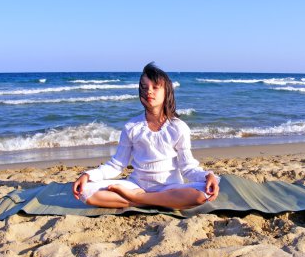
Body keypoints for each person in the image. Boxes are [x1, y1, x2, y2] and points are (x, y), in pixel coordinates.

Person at [72, 62, 220, 210]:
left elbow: (187, 167)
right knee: (85, 192)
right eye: (144, 87)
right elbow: (117, 165)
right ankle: (144, 199)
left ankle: (137, 200)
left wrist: (207, 176)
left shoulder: (178, 127)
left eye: (155, 87)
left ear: (166, 91)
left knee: (203, 193)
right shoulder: (132, 127)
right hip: (136, 185)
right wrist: (88, 175)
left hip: (169, 188)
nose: (149, 91)